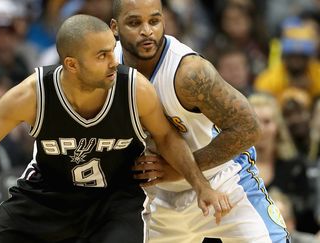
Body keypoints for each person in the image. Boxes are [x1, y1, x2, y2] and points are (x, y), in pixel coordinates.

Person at [0, 15, 230, 243]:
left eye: (112, 50)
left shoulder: (134, 90)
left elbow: (166, 137)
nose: (114, 61)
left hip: (114, 203)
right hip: (46, 197)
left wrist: (201, 185)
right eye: (102, 55)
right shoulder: (33, 94)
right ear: (71, 65)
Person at [110, 0, 289, 242]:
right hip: (157, 197)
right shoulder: (107, 67)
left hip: (223, 184)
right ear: (115, 27)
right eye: (134, 23)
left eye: (154, 21)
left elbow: (249, 128)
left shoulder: (189, 73)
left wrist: (178, 168)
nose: (147, 31)